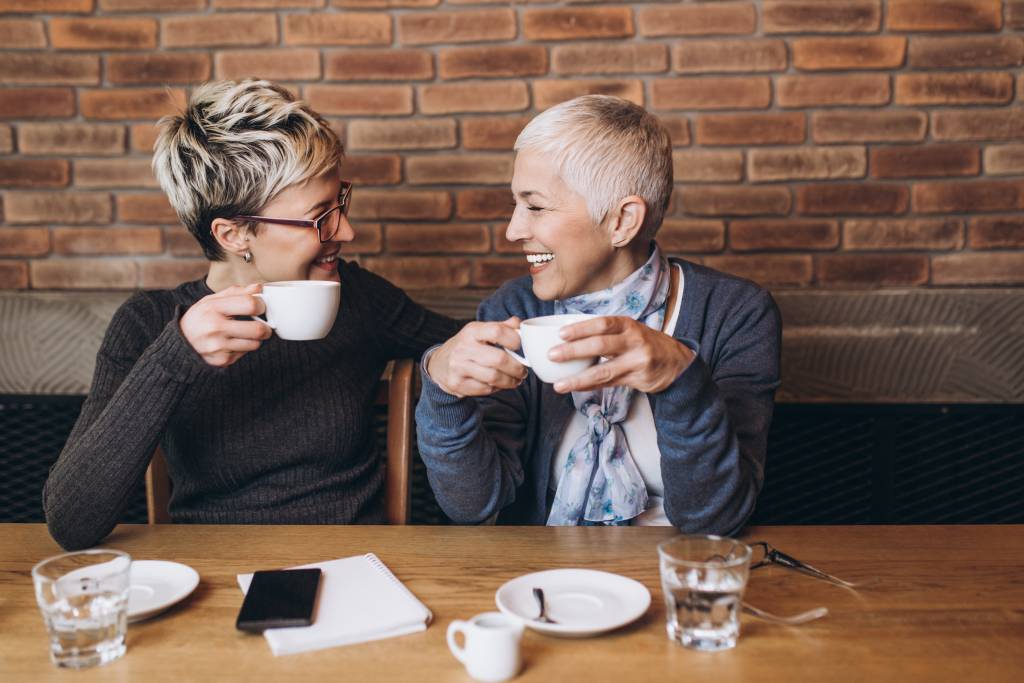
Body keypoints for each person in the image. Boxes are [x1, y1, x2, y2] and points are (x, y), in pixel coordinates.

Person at [44, 80, 460, 550]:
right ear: (233, 234)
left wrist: (445, 360)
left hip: (356, 564)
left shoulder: (359, 297)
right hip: (213, 572)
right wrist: (172, 359)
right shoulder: (148, 323)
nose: (347, 228)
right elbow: (71, 523)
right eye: (320, 215)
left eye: (339, 201)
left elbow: (465, 349)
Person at [416, 95, 781, 532]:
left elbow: (716, 519)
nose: (514, 231)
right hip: (542, 577)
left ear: (622, 221)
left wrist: (682, 381)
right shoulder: (513, 310)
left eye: (535, 206)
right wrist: (441, 388)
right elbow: (473, 506)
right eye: (515, 205)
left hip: (675, 569)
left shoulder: (736, 314)